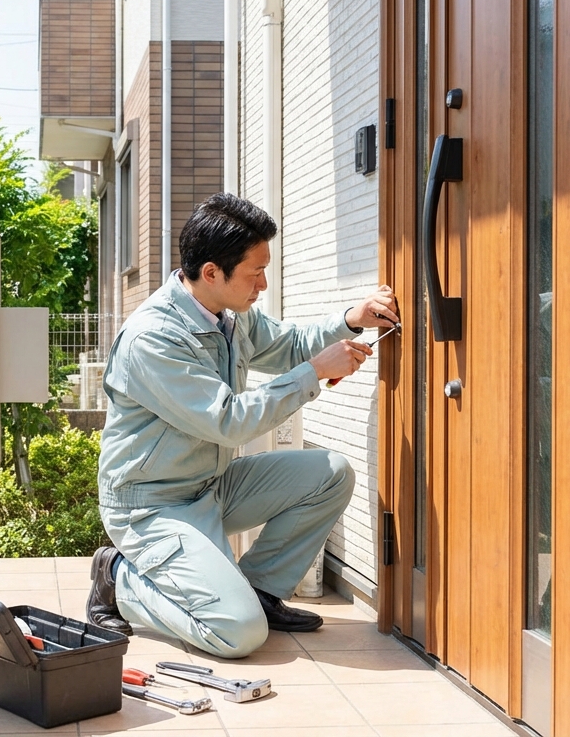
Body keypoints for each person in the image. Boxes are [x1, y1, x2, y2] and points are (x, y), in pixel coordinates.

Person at [86, 192, 398, 659]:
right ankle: (120, 579)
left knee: (330, 472)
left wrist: (351, 320)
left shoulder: (230, 316)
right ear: (211, 272)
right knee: (237, 633)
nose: (264, 284)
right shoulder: (154, 338)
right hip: (151, 505)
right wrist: (313, 372)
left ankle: (260, 591)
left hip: (210, 486)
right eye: (255, 273)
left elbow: (291, 343)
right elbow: (228, 420)